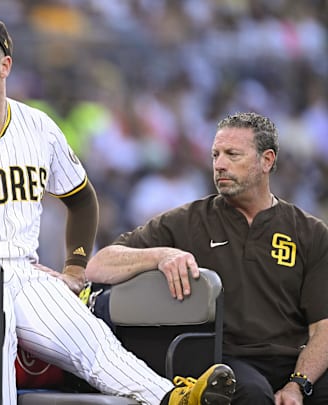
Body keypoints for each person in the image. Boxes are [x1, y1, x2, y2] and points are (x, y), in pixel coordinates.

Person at [0, 11, 235, 405]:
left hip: (23, 271)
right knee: (0, 343)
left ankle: (174, 398)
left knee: (95, 344)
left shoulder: (38, 126)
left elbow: (81, 199)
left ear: (4, 66)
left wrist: (75, 267)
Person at [85, 112, 328, 404]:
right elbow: (99, 264)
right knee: (253, 395)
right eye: (215, 155)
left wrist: (298, 385)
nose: (220, 165)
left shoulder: (310, 232)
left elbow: (323, 327)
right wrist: (160, 255)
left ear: (267, 161)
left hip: (294, 362)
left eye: (232, 154)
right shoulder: (188, 221)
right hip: (225, 361)